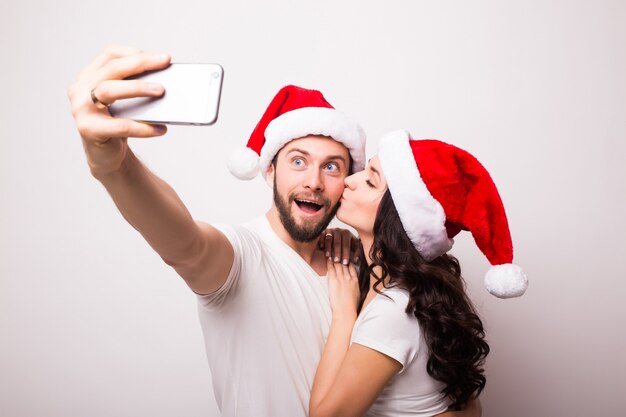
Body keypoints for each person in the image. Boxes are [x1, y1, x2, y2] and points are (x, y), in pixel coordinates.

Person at [68, 46, 483, 417]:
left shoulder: (367, 265)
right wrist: (114, 166)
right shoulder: (242, 256)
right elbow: (186, 244)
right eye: (298, 161)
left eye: (333, 167)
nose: (315, 182)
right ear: (269, 171)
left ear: (347, 183)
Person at [309, 130, 528, 417]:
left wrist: (344, 315)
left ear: (398, 215)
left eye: (370, 180)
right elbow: (469, 406)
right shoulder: (409, 290)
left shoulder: (393, 310)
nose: (349, 181)